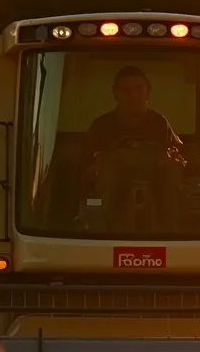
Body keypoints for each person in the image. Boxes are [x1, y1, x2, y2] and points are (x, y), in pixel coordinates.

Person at [80, 66, 187, 230]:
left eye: (138, 89)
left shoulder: (159, 123)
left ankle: (174, 231)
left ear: (147, 92)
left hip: (155, 185)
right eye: (127, 90)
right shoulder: (101, 125)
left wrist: (172, 159)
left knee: (172, 171)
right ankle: (101, 231)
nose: (133, 95)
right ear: (115, 93)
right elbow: (85, 166)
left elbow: (179, 156)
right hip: (113, 187)